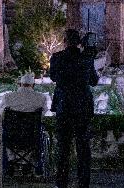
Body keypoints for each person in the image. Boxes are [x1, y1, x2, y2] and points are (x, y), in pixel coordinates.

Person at [50, 29, 99, 188]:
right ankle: (83, 182)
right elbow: (93, 81)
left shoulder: (57, 58)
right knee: (83, 147)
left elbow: (53, 77)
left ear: (65, 41)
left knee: (63, 147)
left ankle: (61, 182)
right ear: (79, 42)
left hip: (64, 105)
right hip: (83, 106)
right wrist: (88, 56)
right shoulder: (86, 59)